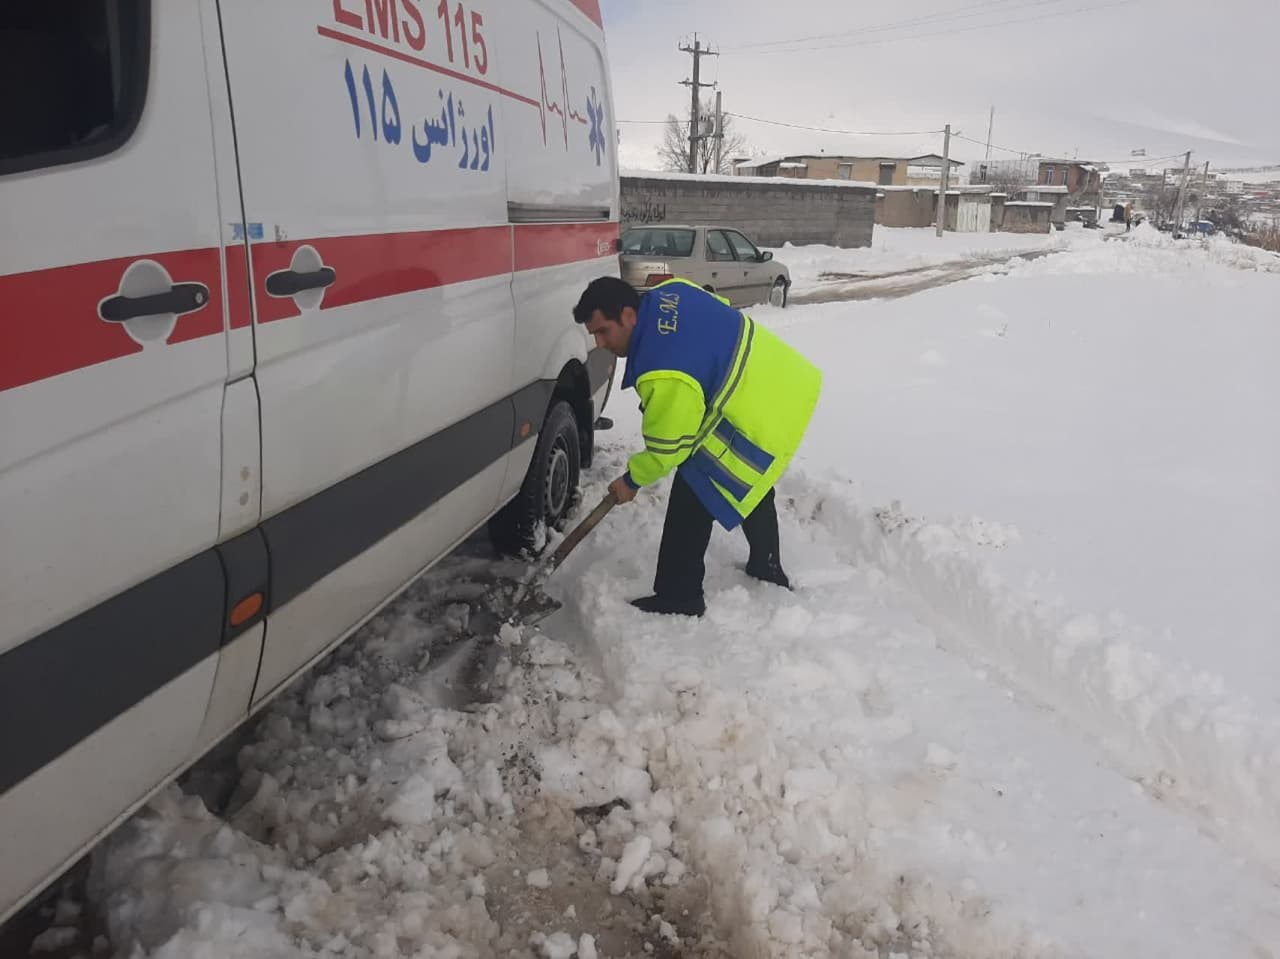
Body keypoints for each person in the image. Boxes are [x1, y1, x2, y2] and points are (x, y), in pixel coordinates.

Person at [572, 275, 823, 616]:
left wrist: (631, 480)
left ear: (629, 315)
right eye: (595, 335)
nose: (601, 343)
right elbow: (716, 306)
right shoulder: (671, 291)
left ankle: (680, 594)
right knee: (747, 475)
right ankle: (767, 566)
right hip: (784, 382)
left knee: (696, 479)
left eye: (604, 331)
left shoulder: (661, 369)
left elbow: (668, 449)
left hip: (757, 405)